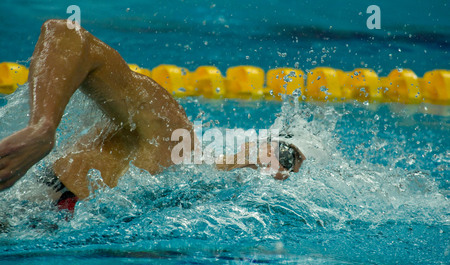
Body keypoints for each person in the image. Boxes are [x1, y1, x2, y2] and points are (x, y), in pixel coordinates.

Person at [0, 20, 305, 211]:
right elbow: (65, 34)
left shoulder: (189, 206)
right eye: (284, 153)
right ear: (253, 144)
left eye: (288, 166)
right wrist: (42, 127)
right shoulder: (170, 136)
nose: (277, 168)